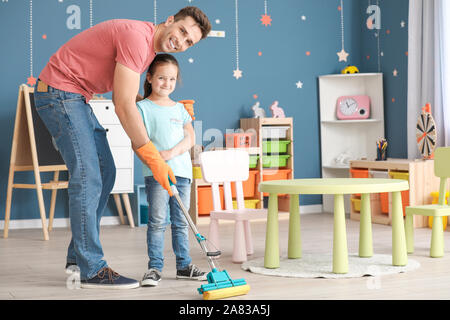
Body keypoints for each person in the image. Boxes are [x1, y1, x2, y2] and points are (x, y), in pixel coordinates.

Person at [32, 7, 211, 289]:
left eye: (189, 42)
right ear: (169, 22)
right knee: (89, 176)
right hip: (60, 92)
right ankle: (91, 268)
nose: (181, 42)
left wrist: (159, 107)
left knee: (106, 171)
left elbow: (127, 95)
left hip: (76, 96)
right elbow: (123, 105)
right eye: (182, 32)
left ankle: (77, 258)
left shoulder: (147, 47)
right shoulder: (136, 39)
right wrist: (153, 158)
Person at [136, 54, 206, 287]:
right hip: (157, 175)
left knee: (181, 221)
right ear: (149, 78)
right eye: (161, 78)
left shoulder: (181, 109)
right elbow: (139, 141)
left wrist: (170, 154)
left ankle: (184, 266)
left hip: (182, 173)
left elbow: (190, 138)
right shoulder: (142, 108)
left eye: (172, 79)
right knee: (157, 221)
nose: (167, 83)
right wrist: (159, 160)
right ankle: (154, 268)